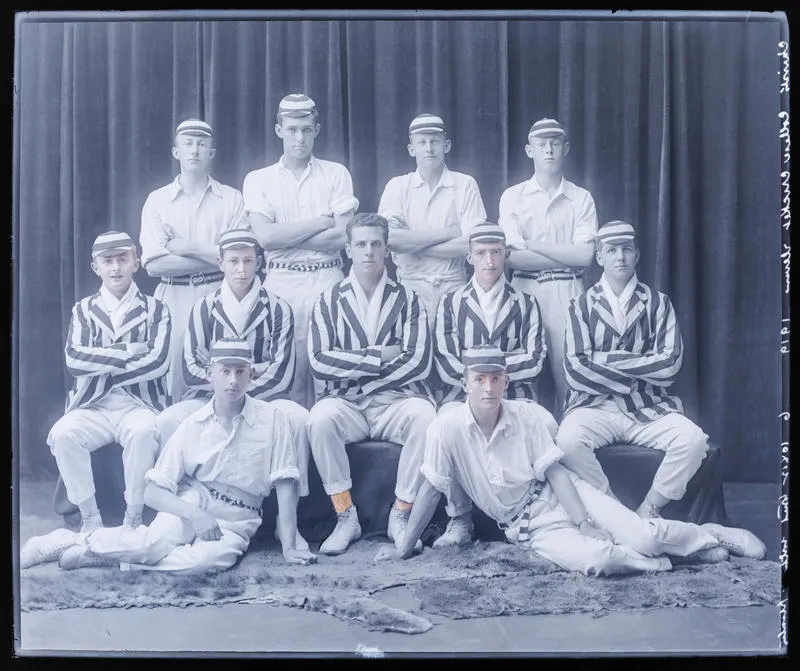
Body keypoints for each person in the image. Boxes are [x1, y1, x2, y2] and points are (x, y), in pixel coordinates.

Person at [391, 345, 766, 576]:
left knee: (640, 532)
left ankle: (709, 536)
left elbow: (556, 474)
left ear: (506, 381)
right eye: (479, 379)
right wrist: (405, 546)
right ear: (465, 383)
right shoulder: (445, 427)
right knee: (599, 561)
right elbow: (430, 488)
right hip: (527, 528)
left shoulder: (528, 415)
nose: (488, 388)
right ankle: (668, 560)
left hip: (565, 495)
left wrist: (583, 521)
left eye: (495, 379)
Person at [51, 338, 317, 573]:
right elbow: (153, 492)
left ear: (251, 375)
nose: (233, 380)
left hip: (238, 516)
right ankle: (76, 542)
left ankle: (116, 558)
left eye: (240, 371)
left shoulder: (273, 419)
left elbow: (285, 483)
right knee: (153, 542)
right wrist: (195, 514)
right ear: (210, 375)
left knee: (204, 562)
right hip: (192, 500)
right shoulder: (194, 423)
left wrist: (290, 545)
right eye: (225, 371)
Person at [19, 231, 170, 569]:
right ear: (95, 267)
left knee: (144, 432)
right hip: (93, 405)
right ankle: (91, 522)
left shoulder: (155, 308)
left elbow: (157, 363)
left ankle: (133, 520)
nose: (115, 268)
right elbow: (75, 362)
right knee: (63, 433)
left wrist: (100, 361)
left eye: (122, 259)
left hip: (138, 404)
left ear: (136, 261)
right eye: (108, 261)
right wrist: (128, 351)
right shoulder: (84, 310)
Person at [154, 229, 310, 544]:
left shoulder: (278, 308)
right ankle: (179, 508)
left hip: (264, 400)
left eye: (248, 261)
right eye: (234, 261)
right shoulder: (204, 307)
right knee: (168, 419)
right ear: (220, 263)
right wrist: (236, 381)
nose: (241, 269)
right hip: (209, 399)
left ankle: (288, 520)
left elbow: (282, 373)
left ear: (259, 263)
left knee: (296, 417)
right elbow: (190, 370)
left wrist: (232, 382)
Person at [558, 220, 712, 520]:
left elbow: (669, 366)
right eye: (612, 250)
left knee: (694, 442)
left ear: (637, 254)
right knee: (566, 442)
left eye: (627, 249)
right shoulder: (580, 305)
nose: (620, 257)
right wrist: (638, 364)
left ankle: (649, 508)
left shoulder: (658, 302)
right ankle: (613, 509)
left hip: (648, 406)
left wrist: (605, 359)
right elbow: (576, 370)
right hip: (595, 407)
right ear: (599, 257)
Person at [307, 213, 435, 556]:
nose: (368, 252)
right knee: (319, 419)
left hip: (394, 402)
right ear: (348, 250)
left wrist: (352, 365)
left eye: (376, 244)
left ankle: (402, 513)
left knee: (425, 416)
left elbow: (417, 362)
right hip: (348, 405)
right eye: (361, 244)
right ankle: (345, 515)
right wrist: (377, 356)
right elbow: (320, 363)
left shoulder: (409, 299)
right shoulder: (327, 300)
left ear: (388, 250)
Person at [431, 220, 556, 547]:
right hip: (464, 397)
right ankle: (460, 518)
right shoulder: (450, 302)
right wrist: (491, 372)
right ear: (469, 256)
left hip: (518, 396)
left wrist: (480, 366)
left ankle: (534, 511)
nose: (489, 261)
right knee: (446, 424)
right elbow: (446, 361)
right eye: (481, 253)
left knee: (547, 423)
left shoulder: (526, 302)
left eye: (496, 252)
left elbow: (534, 359)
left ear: (506, 255)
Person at [242, 93, 359, 409]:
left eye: (306, 129)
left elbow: (341, 237)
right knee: (283, 373)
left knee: (330, 372)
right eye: (292, 129)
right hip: (280, 282)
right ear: (279, 130)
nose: (300, 137)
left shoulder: (336, 174)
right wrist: (321, 221)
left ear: (317, 130)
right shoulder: (259, 179)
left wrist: (286, 235)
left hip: (328, 277)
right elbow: (265, 238)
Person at [139, 118, 247, 403]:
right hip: (173, 295)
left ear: (212, 153)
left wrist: (183, 246)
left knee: (224, 373)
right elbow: (154, 266)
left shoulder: (232, 199)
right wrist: (215, 255)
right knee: (175, 376)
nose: (194, 151)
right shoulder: (158, 201)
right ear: (176, 152)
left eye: (202, 144)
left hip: (220, 295)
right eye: (188, 144)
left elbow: (237, 260)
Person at [499, 118, 598, 419]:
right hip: (523, 287)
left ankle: (568, 444)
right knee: (519, 369)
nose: (549, 151)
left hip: (566, 288)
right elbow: (514, 258)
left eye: (555, 144)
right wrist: (564, 252)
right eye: (542, 145)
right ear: (529, 150)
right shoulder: (512, 196)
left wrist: (533, 244)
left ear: (565, 148)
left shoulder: (580, 197)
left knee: (567, 372)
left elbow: (584, 257)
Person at [377, 113, 487, 323]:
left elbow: (473, 245)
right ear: (411, 149)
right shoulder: (397, 186)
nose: (429, 148)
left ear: (447, 145)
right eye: (422, 142)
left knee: (452, 351)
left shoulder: (465, 184)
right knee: (413, 350)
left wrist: (412, 243)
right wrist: (449, 233)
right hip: (409, 285)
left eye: (435, 141)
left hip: (454, 284)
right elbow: (391, 240)